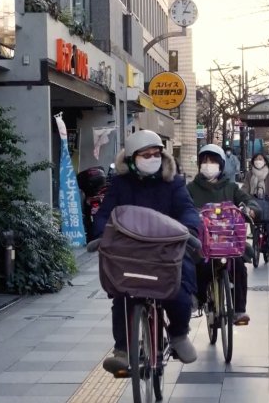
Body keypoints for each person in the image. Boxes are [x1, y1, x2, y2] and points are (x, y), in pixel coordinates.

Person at [93, 129, 200, 374]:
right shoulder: (120, 184)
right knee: (122, 292)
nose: (152, 158)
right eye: (145, 154)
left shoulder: (173, 182)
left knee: (179, 287)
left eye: (156, 154)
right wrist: (101, 236)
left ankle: (178, 335)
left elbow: (187, 209)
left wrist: (190, 230)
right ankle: (122, 349)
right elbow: (105, 213)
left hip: (166, 247)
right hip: (131, 249)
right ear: (131, 159)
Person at [186, 144, 260, 325]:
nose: (208, 164)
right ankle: (198, 298)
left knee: (239, 265)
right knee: (199, 265)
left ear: (220, 164)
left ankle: (239, 310)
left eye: (212, 161)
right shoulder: (190, 189)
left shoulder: (231, 187)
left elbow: (248, 200)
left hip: (229, 241)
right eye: (204, 161)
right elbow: (182, 207)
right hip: (202, 243)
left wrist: (250, 209)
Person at [241, 153, 269, 253]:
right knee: (251, 218)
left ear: (265, 161)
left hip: (268, 203)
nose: (258, 161)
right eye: (256, 159)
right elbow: (245, 188)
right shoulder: (250, 174)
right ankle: (254, 236)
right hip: (254, 203)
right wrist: (242, 196)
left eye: (260, 159)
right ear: (253, 161)